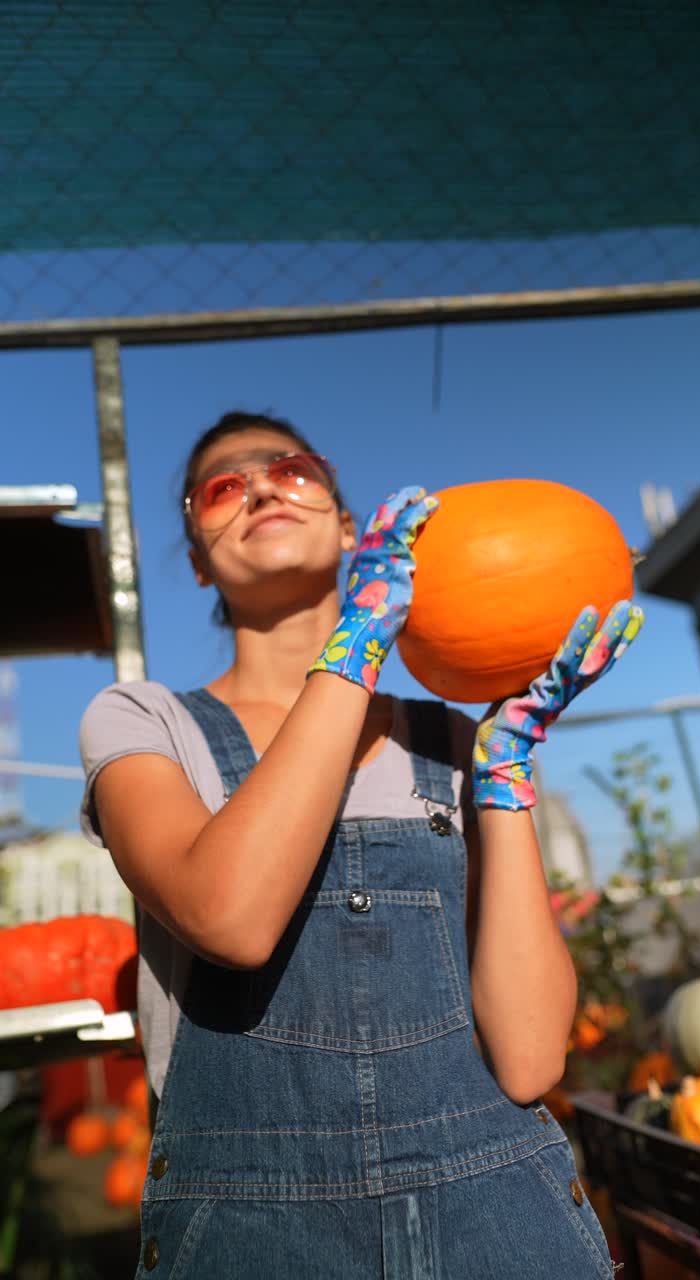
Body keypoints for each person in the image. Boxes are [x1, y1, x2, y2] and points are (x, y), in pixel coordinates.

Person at [80, 409, 641, 1278]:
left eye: (293, 470)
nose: (262, 488)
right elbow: (231, 918)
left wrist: (504, 767)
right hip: (253, 1240)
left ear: (348, 527)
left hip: (501, 1218)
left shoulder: (449, 743)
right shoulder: (143, 721)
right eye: (223, 487)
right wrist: (359, 644)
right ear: (197, 561)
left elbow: (532, 1058)